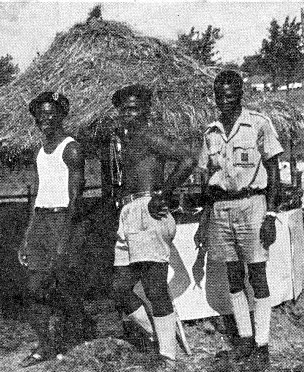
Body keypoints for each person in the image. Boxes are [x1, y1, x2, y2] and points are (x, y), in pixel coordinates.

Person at [194, 70, 282, 372]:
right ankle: (245, 338)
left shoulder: (258, 124)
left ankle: (263, 344)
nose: (225, 100)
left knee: (257, 275)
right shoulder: (210, 133)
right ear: (215, 97)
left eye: (230, 95)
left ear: (240, 94)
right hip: (221, 208)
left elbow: (274, 172)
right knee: (233, 276)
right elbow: (208, 181)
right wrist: (205, 220)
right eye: (220, 95)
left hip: (252, 205)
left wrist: (270, 214)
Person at [110, 84, 196, 370]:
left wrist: (164, 193)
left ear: (146, 110)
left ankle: (168, 357)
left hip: (149, 210)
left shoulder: (149, 135)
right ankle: (157, 338)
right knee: (120, 288)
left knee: (155, 286)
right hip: (129, 212)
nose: (127, 114)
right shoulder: (127, 139)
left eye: (134, 108)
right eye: (123, 109)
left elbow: (187, 159)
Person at [18, 92, 93, 368]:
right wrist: (28, 235)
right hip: (41, 221)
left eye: (52, 113)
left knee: (62, 286)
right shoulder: (39, 152)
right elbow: (37, 194)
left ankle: (72, 341)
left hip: (63, 221)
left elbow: (75, 197)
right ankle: (45, 346)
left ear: (62, 115)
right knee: (34, 288)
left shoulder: (71, 148)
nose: (46, 119)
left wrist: (65, 237)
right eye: (41, 114)